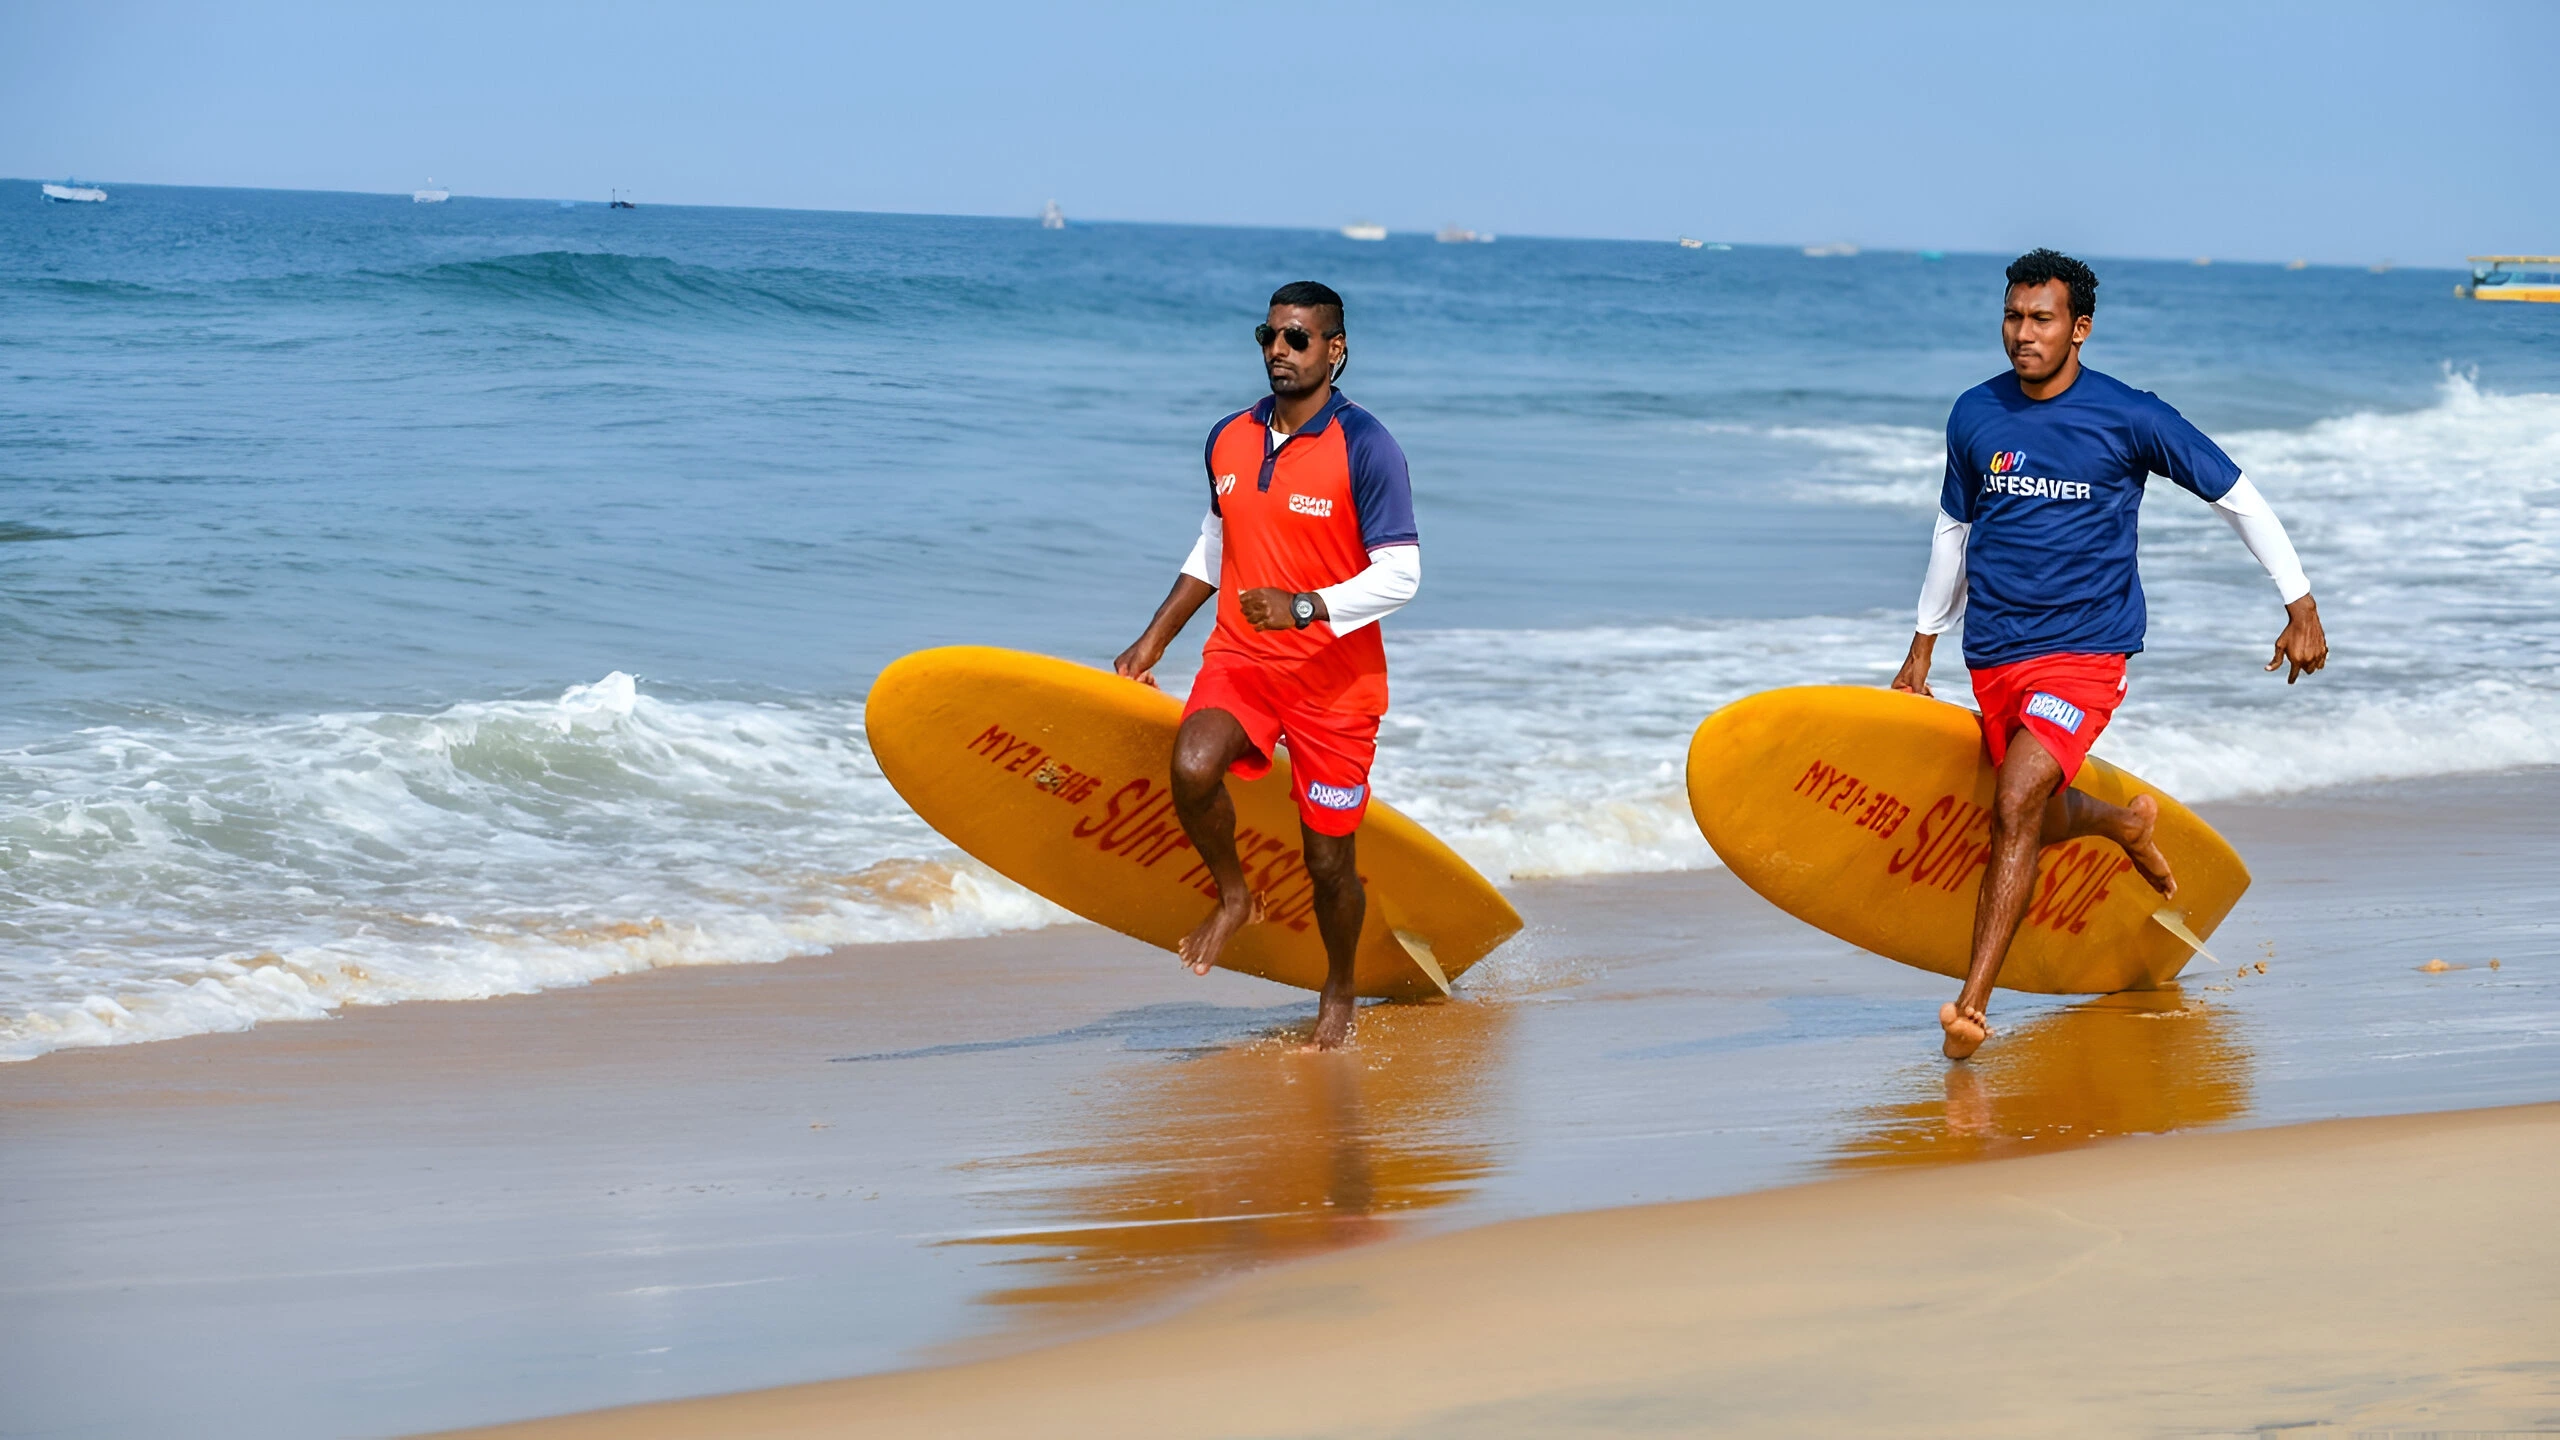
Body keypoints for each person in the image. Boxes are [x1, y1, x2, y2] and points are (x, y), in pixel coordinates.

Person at [1891, 249, 2328, 1059]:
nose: (2023, 334)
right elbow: (1953, 531)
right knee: (2037, 809)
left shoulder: (2131, 417)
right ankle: (2123, 822)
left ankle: (1971, 1005)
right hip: (1994, 652)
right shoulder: (1974, 414)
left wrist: (2298, 601)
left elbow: (2235, 494)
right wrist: (1923, 647)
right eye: (2014, 317)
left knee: (2017, 796)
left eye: (2042, 319)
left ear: (2079, 328)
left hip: (2086, 653)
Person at [1113, 281, 1421, 1050]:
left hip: (1335, 685)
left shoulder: (1367, 446)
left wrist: (1307, 607)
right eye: (1269, 337)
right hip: (1243, 660)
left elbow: (1401, 574)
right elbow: (1215, 546)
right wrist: (1155, 639)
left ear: (1335, 349)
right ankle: (1233, 898)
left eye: (1297, 339)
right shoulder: (1229, 437)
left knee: (1326, 861)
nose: (1279, 352)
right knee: (1190, 765)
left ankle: (1341, 987)